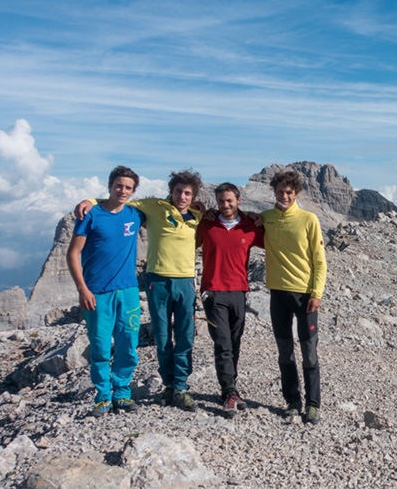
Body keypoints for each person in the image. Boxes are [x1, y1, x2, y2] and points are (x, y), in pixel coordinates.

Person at [76, 169, 204, 412]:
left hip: (185, 282)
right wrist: (89, 201)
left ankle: (181, 386)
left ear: (193, 196)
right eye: (178, 191)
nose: (182, 196)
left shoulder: (198, 216)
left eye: (187, 193)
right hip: (157, 280)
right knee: (163, 337)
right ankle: (167, 386)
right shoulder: (153, 206)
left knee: (186, 336)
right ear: (171, 191)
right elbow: (117, 202)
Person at [67, 166, 145, 418]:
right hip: (97, 292)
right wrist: (82, 288)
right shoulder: (92, 215)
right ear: (110, 185)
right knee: (100, 345)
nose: (123, 191)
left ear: (134, 191)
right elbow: (73, 253)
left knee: (128, 344)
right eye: (119, 185)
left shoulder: (135, 215)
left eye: (128, 188)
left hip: (128, 290)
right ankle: (102, 396)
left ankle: (121, 393)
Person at [260, 170, 327, 425]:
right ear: (274, 192)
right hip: (278, 295)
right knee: (284, 352)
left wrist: (316, 294)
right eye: (280, 192)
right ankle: (292, 401)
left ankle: (313, 404)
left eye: (289, 192)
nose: (284, 196)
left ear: (296, 193)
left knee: (309, 353)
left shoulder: (309, 219)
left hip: (305, 296)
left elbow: (320, 262)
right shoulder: (266, 218)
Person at [196, 182, 264, 418]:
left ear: (238, 200)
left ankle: (229, 388)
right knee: (222, 343)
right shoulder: (207, 224)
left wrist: (261, 219)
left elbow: (276, 243)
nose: (225, 205)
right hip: (213, 293)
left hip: (239, 292)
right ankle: (229, 392)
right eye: (221, 201)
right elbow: (184, 238)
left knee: (234, 342)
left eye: (229, 201)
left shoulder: (250, 226)